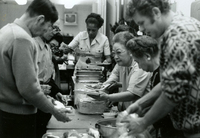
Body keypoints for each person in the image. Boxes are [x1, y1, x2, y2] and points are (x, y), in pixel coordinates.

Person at [119, 0, 200, 137]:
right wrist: (141, 103)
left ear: (156, 13)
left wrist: (143, 122)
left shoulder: (177, 37)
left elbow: (172, 94)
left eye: (141, 23)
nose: (140, 30)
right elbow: (168, 83)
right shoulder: (183, 25)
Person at [0, 0, 71, 138]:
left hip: (5, 112)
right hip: (18, 117)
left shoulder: (6, 30)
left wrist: (47, 98)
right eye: (46, 28)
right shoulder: (22, 39)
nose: (43, 32)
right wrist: (55, 111)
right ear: (40, 19)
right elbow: (28, 89)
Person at [126, 35, 184, 138]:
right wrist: (140, 106)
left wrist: (144, 122)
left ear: (147, 56)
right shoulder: (157, 73)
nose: (139, 66)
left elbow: (166, 103)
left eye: (138, 62)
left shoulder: (166, 70)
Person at [88, 31, 151, 112]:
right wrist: (103, 86)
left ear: (130, 51)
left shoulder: (140, 66)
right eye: (114, 53)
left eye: (119, 52)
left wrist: (107, 97)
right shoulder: (122, 62)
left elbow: (132, 94)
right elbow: (114, 75)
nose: (116, 57)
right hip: (128, 111)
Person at [35, 26, 67, 138]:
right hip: (36, 98)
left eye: (55, 48)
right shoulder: (34, 47)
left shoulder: (47, 50)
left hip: (45, 96)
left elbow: (48, 79)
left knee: (44, 127)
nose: (53, 49)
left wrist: (57, 92)